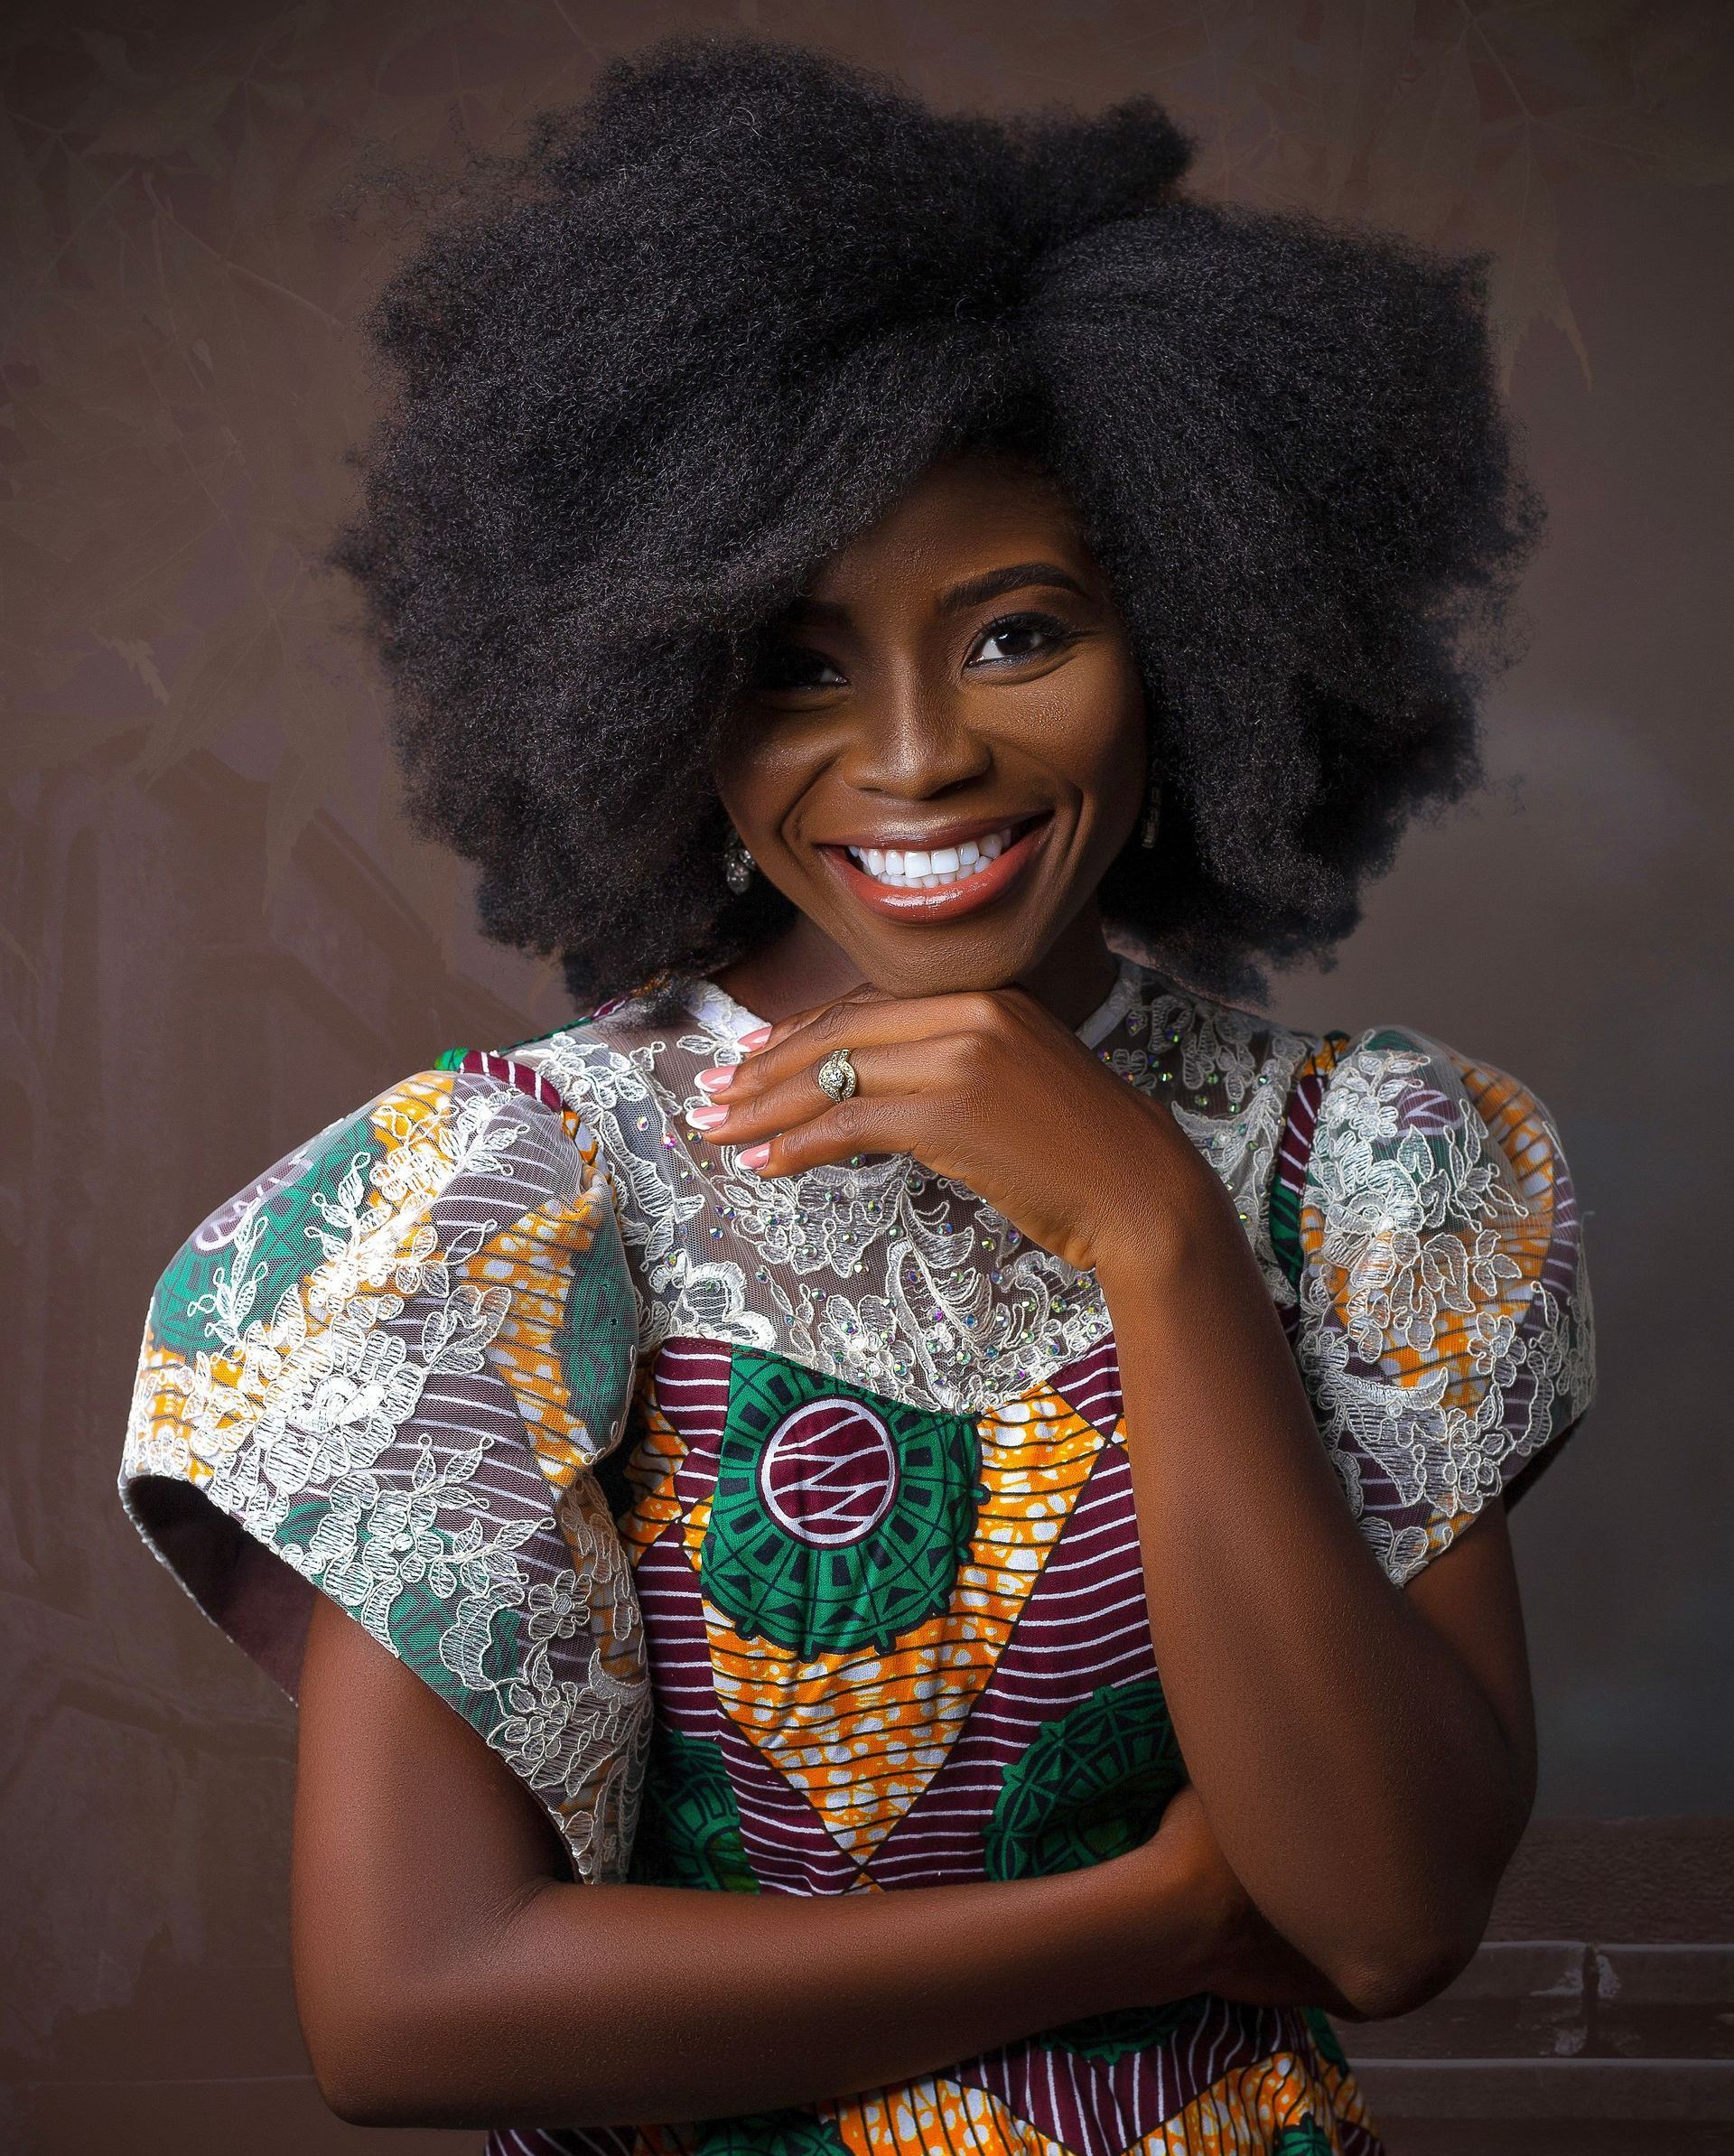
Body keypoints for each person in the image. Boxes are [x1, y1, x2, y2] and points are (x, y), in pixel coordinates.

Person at [118, 35, 1596, 2156]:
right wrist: (1155, 1921)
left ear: (1197, 639)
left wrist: (1156, 1234)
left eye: (1018, 636)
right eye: (802, 665)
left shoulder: (1373, 1168)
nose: (917, 759)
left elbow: (1386, 1921)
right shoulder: (500, 1190)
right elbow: (410, 2014)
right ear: (655, 693)